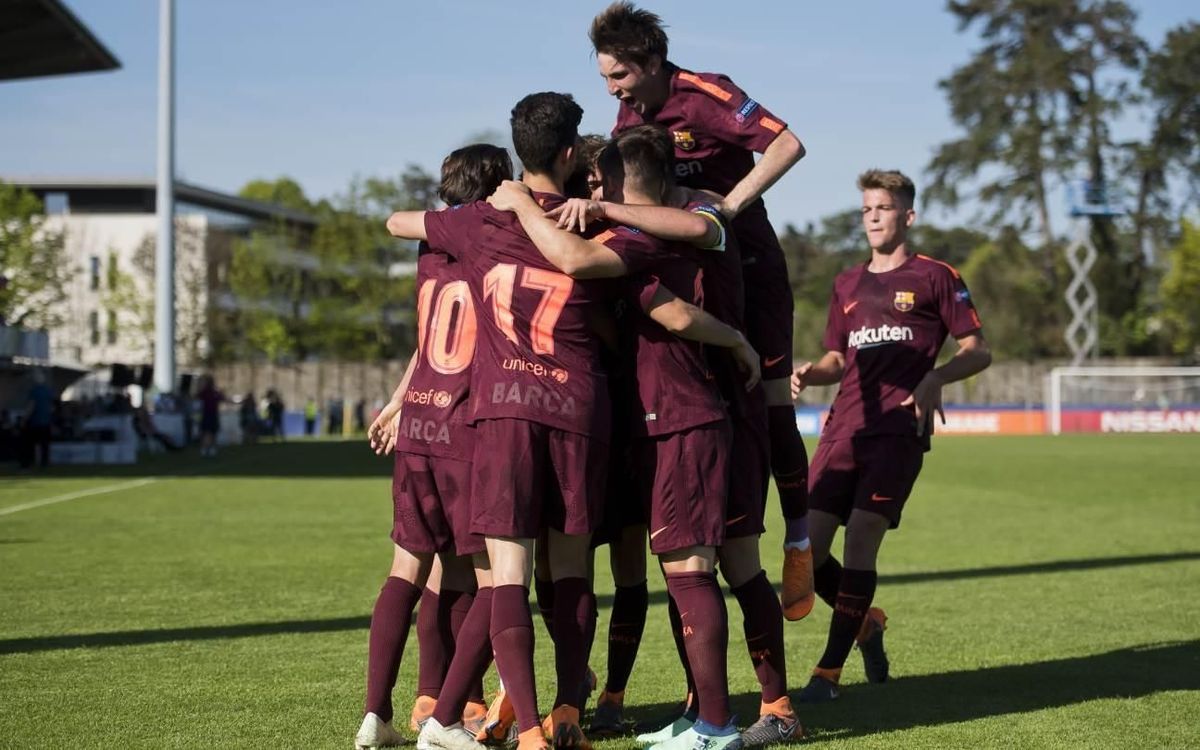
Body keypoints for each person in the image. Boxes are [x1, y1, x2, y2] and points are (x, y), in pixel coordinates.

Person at [390, 92, 679, 750]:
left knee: (511, 576)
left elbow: (396, 222)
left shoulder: (480, 221)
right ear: (573, 153)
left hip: (504, 418)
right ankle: (569, 706)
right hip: (578, 410)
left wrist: (478, 207)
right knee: (573, 569)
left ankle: (527, 728)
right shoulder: (594, 223)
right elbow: (621, 315)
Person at [501, 124, 795, 748]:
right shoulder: (671, 224)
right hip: (700, 412)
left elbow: (657, 300)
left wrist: (526, 204)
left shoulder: (649, 233)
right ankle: (731, 711)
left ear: (614, 180)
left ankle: (721, 722)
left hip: (688, 415)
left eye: (600, 180)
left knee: (698, 568)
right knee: (719, 567)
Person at [590, 2, 816, 618]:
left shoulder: (706, 92)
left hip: (746, 267)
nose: (611, 89)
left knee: (770, 402)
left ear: (652, 61)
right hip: (681, 273)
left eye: (619, 76)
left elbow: (788, 144)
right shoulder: (627, 112)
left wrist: (730, 208)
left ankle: (800, 540)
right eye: (606, 77)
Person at [791, 170, 991, 702]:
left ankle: (826, 676)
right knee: (805, 554)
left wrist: (936, 376)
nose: (873, 217)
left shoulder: (936, 277)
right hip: (841, 430)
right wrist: (812, 372)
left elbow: (978, 348)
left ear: (908, 215)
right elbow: (838, 357)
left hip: (898, 432)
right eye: (866, 209)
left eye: (883, 207)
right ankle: (867, 624)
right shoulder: (846, 284)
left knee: (860, 537)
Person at [355, 143, 514, 750]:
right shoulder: (492, 239)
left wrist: (398, 403)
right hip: (467, 426)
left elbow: (427, 344)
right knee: (496, 575)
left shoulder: (431, 247)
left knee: (408, 569)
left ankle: (377, 713)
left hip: (418, 424)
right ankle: (445, 718)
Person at [23, 369, 53, 468]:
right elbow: (52, 407)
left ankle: (30, 462)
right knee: (44, 445)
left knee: (30, 444)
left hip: (36, 422)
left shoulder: (34, 390)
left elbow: (31, 406)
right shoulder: (48, 390)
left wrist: (24, 418)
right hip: (46, 421)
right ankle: (44, 463)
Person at [196, 375, 224, 458]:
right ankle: (207, 449)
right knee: (208, 432)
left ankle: (209, 449)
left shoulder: (211, 392)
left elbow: (221, 398)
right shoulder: (206, 392)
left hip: (210, 414)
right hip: (208, 414)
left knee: (210, 432)